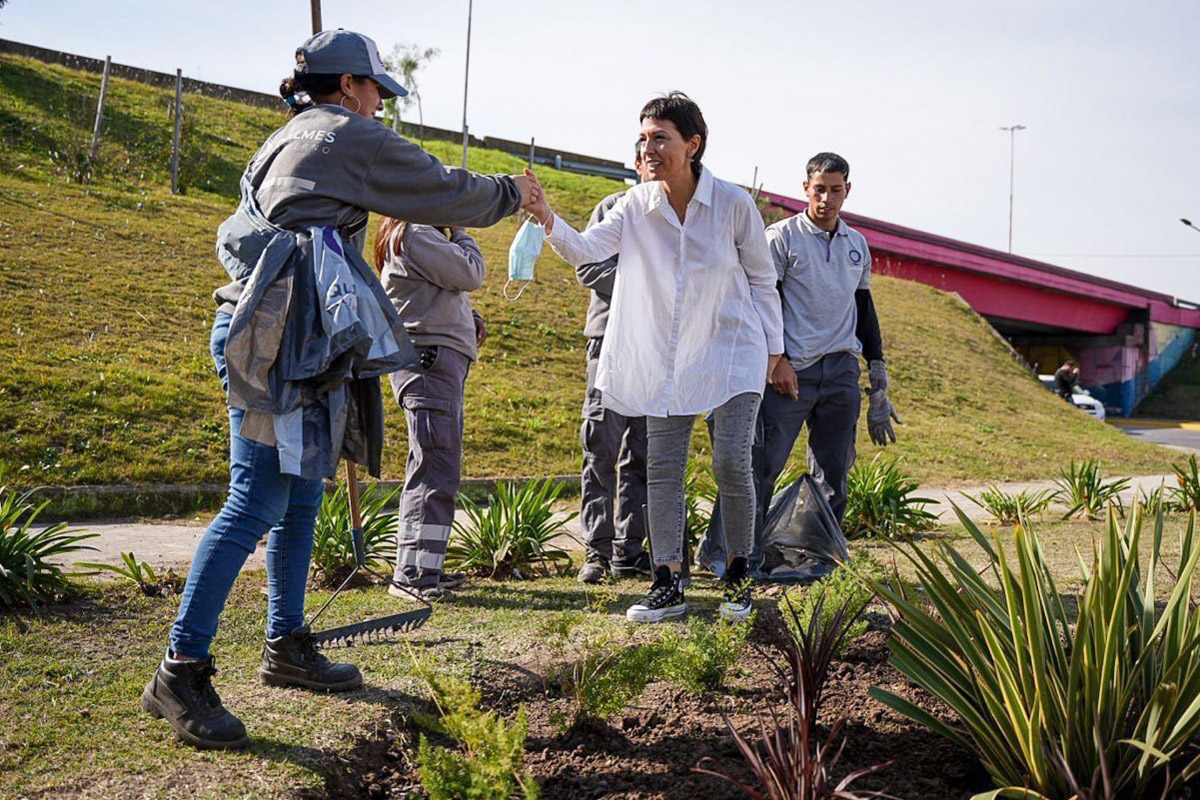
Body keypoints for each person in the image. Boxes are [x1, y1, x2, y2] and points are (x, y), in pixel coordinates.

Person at [140, 29, 538, 751]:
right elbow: (444, 189)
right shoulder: (346, 136)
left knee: (297, 494)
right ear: (351, 86)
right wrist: (512, 192)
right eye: (377, 90)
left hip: (281, 330)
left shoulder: (287, 136)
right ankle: (181, 669)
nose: (382, 103)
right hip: (274, 336)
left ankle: (286, 643)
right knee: (254, 498)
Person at [525, 92, 784, 623]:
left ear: (692, 145)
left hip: (734, 351)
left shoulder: (734, 205)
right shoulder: (633, 206)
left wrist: (775, 352)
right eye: (643, 138)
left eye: (660, 137)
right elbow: (586, 250)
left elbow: (762, 278)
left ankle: (738, 578)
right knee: (663, 469)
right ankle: (667, 582)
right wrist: (546, 216)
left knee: (731, 462)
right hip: (669, 359)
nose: (648, 148)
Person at [754, 153, 899, 534]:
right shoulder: (782, 238)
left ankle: (818, 555)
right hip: (791, 371)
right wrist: (777, 360)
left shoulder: (858, 245)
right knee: (762, 465)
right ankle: (733, 554)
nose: (826, 199)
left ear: (847, 191)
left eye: (836, 190)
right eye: (819, 189)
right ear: (805, 188)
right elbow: (764, 302)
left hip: (841, 371)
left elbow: (864, 308)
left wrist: (878, 374)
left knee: (834, 472)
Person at [375, 220, 487, 599]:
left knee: (435, 467)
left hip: (432, 361)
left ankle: (425, 567)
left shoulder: (419, 235)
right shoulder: (420, 233)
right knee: (434, 470)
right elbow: (470, 272)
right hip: (428, 364)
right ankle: (412, 577)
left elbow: (433, 295)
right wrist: (462, 232)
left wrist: (465, 321)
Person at [574, 143, 651, 584]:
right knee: (601, 446)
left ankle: (630, 548)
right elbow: (587, 265)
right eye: (647, 159)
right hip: (608, 343)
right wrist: (641, 289)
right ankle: (597, 551)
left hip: (655, 350)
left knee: (642, 452)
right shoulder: (612, 207)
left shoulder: (676, 217)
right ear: (637, 164)